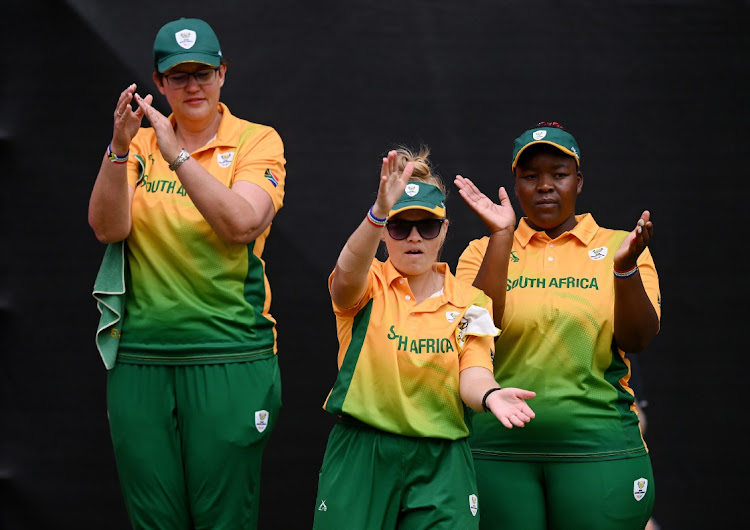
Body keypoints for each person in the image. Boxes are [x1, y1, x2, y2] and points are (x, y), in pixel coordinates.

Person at [88, 17, 286, 529]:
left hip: (228, 352)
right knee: (155, 521)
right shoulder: (138, 145)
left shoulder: (256, 140)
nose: (192, 86)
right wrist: (118, 148)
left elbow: (241, 223)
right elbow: (108, 228)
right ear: (159, 84)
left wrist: (173, 150)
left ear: (223, 74)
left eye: (203, 73)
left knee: (224, 519)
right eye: (178, 76)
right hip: (142, 358)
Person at [312, 146, 536, 529]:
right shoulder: (369, 284)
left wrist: (490, 394)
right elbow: (346, 276)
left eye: (427, 226)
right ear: (384, 232)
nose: (414, 237)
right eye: (400, 226)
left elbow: (475, 372)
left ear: (444, 230)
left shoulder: (471, 301)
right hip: (364, 451)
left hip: (441, 459)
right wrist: (377, 214)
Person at [454, 121, 661, 530]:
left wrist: (624, 270)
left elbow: (638, 338)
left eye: (559, 175)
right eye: (531, 177)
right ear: (515, 185)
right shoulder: (482, 249)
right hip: (498, 450)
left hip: (598, 447)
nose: (544, 186)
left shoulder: (620, 246)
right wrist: (501, 236)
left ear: (579, 182)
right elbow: (474, 331)